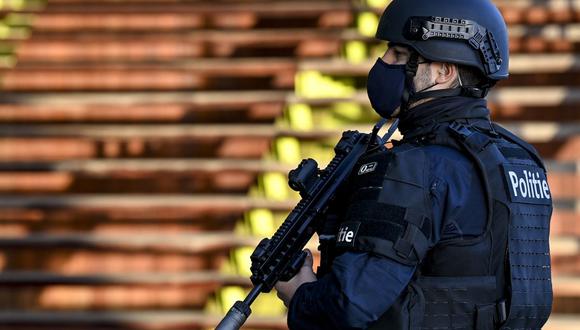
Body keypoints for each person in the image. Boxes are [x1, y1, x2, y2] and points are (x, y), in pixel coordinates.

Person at [274, 0, 553, 329]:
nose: (383, 63)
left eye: (399, 54)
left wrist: (300, 294)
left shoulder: (415, 167)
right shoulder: (521, 158)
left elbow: (350, 306)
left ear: (443, 72)